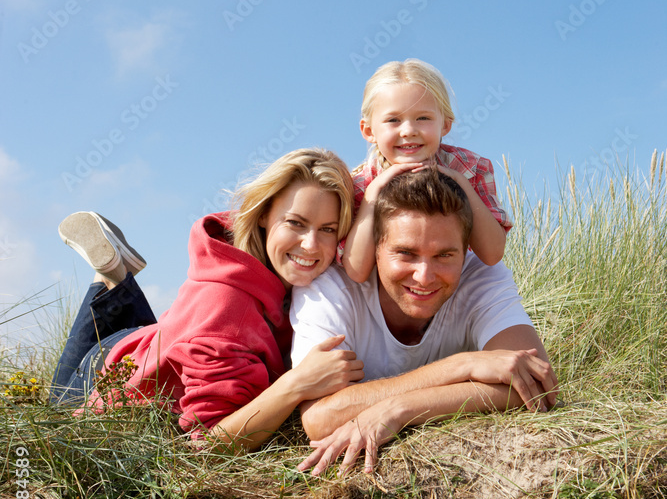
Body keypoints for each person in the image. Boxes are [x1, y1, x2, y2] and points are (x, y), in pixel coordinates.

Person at [50, 148, 364, 451]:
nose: (310, 245)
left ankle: (119, 277)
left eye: (327, 229)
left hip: (154, 342)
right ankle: (111, 278)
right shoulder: (230, 312)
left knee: (171, 332)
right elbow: (208, 443)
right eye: (295, 223)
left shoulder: (272, 263)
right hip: (103, 375)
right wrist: (296, 384)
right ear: (265, 213)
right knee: (57, 403)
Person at [291, 168, 558, 475]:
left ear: (465, 251)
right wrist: (463, 366)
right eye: (406, 253)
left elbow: (534, 383)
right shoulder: (329, 289)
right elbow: (319, 419)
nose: (424, 276)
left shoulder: (481, 276)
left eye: (444, 255)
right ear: (374, 247)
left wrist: (400, 409)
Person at [340, 58, 511, 283]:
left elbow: (491, 255)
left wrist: (461, 185)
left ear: (445, 124)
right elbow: (356, 272)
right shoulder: (358, 185)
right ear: (369, 130)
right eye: (393, 120)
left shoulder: (470, 168)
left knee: (496, 276)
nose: (409, 130)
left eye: (423, 118)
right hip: (385, 291)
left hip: (446, 283)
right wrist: (373, 194)